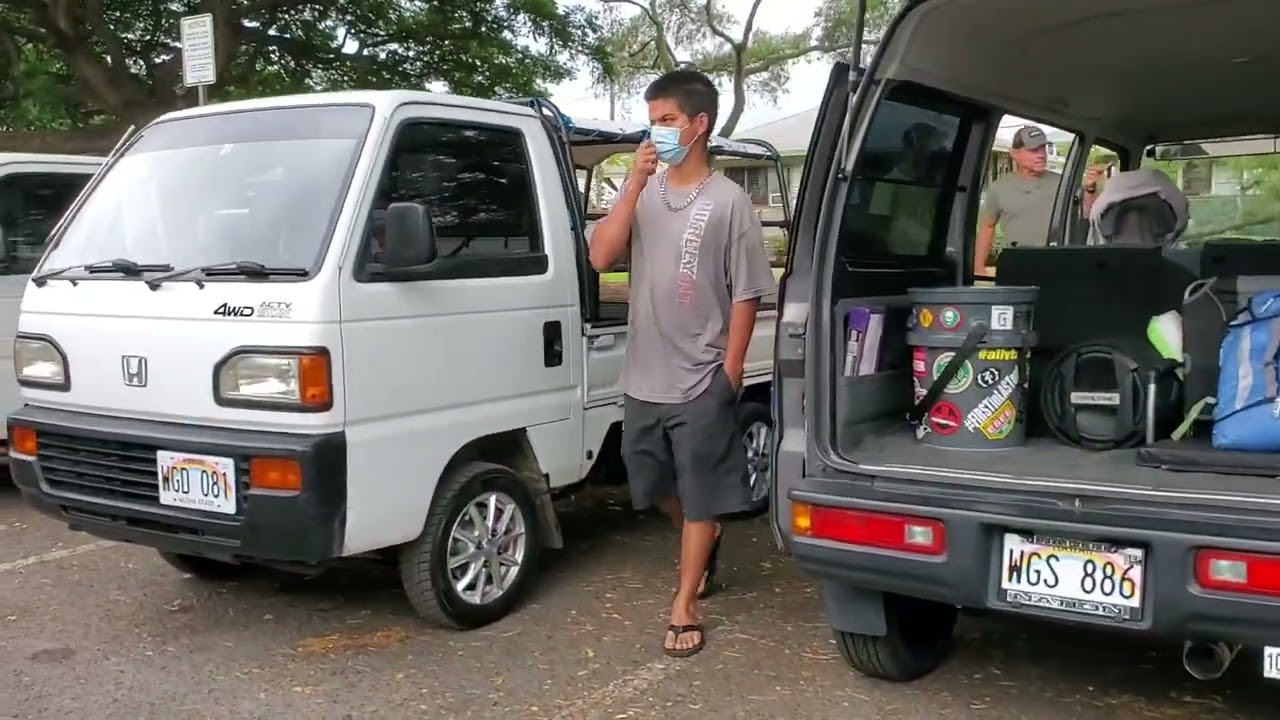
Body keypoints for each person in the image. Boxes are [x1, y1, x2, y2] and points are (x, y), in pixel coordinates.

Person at [587, 69, 777, 659]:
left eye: (667, 120)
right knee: (651, 484)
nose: (657, 132)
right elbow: (599, 257)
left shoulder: (729, 200)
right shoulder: (642, 195)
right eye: (653, 122)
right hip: (643, 375)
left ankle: (684, 603)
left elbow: (747, 291)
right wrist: (630, 187)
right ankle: (707, 534)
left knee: (699, 491)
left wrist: (733, 366)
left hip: (703, 375)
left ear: (700, 125)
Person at [975, 125, 1107, 274]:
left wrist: (1090, 190)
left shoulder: (1064, 183)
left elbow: (1087, 216)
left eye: (1043, 148)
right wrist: (979, 267)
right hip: (1015, 265)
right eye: (1033, 150)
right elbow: (987, 227)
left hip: (1057, 264)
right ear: (1014, 153)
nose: (1041, 155)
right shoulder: (999, 188)